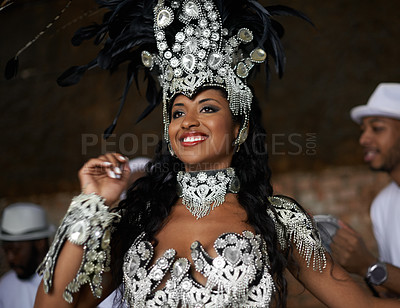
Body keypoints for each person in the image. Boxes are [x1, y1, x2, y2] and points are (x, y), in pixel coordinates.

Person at [23, 0, 399, 307]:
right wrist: (91, 205)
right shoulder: (138, 218)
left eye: (207, 108)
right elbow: (51, 306)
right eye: (177, 111)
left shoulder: (279, 220)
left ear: (239, 128)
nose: (188, 121)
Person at [331, 83, 400, 297]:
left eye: (377, 128)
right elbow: (390, 292)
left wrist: (368, 265)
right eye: (363, 131)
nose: (363, 139)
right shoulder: (382, 204)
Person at [0, 202, 55, 308]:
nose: (10, 258)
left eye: (16, 251)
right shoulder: (5, 286)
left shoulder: (65, 280)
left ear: (40, 243)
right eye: (6, 251)